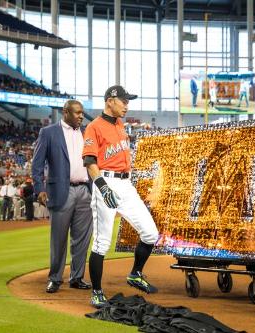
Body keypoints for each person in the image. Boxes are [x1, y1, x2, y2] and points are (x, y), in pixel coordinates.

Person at [82, 85, 159, 308]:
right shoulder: (94, 127)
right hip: (105, 182)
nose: (127, 105)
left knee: (150, 233)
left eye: (128, 101)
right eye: (123, 101)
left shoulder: (120, 124)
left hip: (126, 184)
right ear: (110, 101)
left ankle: (135, 274)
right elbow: (89, 163)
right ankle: (96, 291)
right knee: (102, 242)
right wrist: (104, 188)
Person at [32, 100, 93, 294]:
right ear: (65, 112)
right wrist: (40, 188)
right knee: (58, 238)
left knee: (82, 238)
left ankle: (77, 277)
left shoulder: (86, 134)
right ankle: (55, 278)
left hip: (85, 190)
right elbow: (37, 164)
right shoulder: (48, 132)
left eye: (82, 113)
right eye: (77, 113)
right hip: (60, 191)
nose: (81, 116)